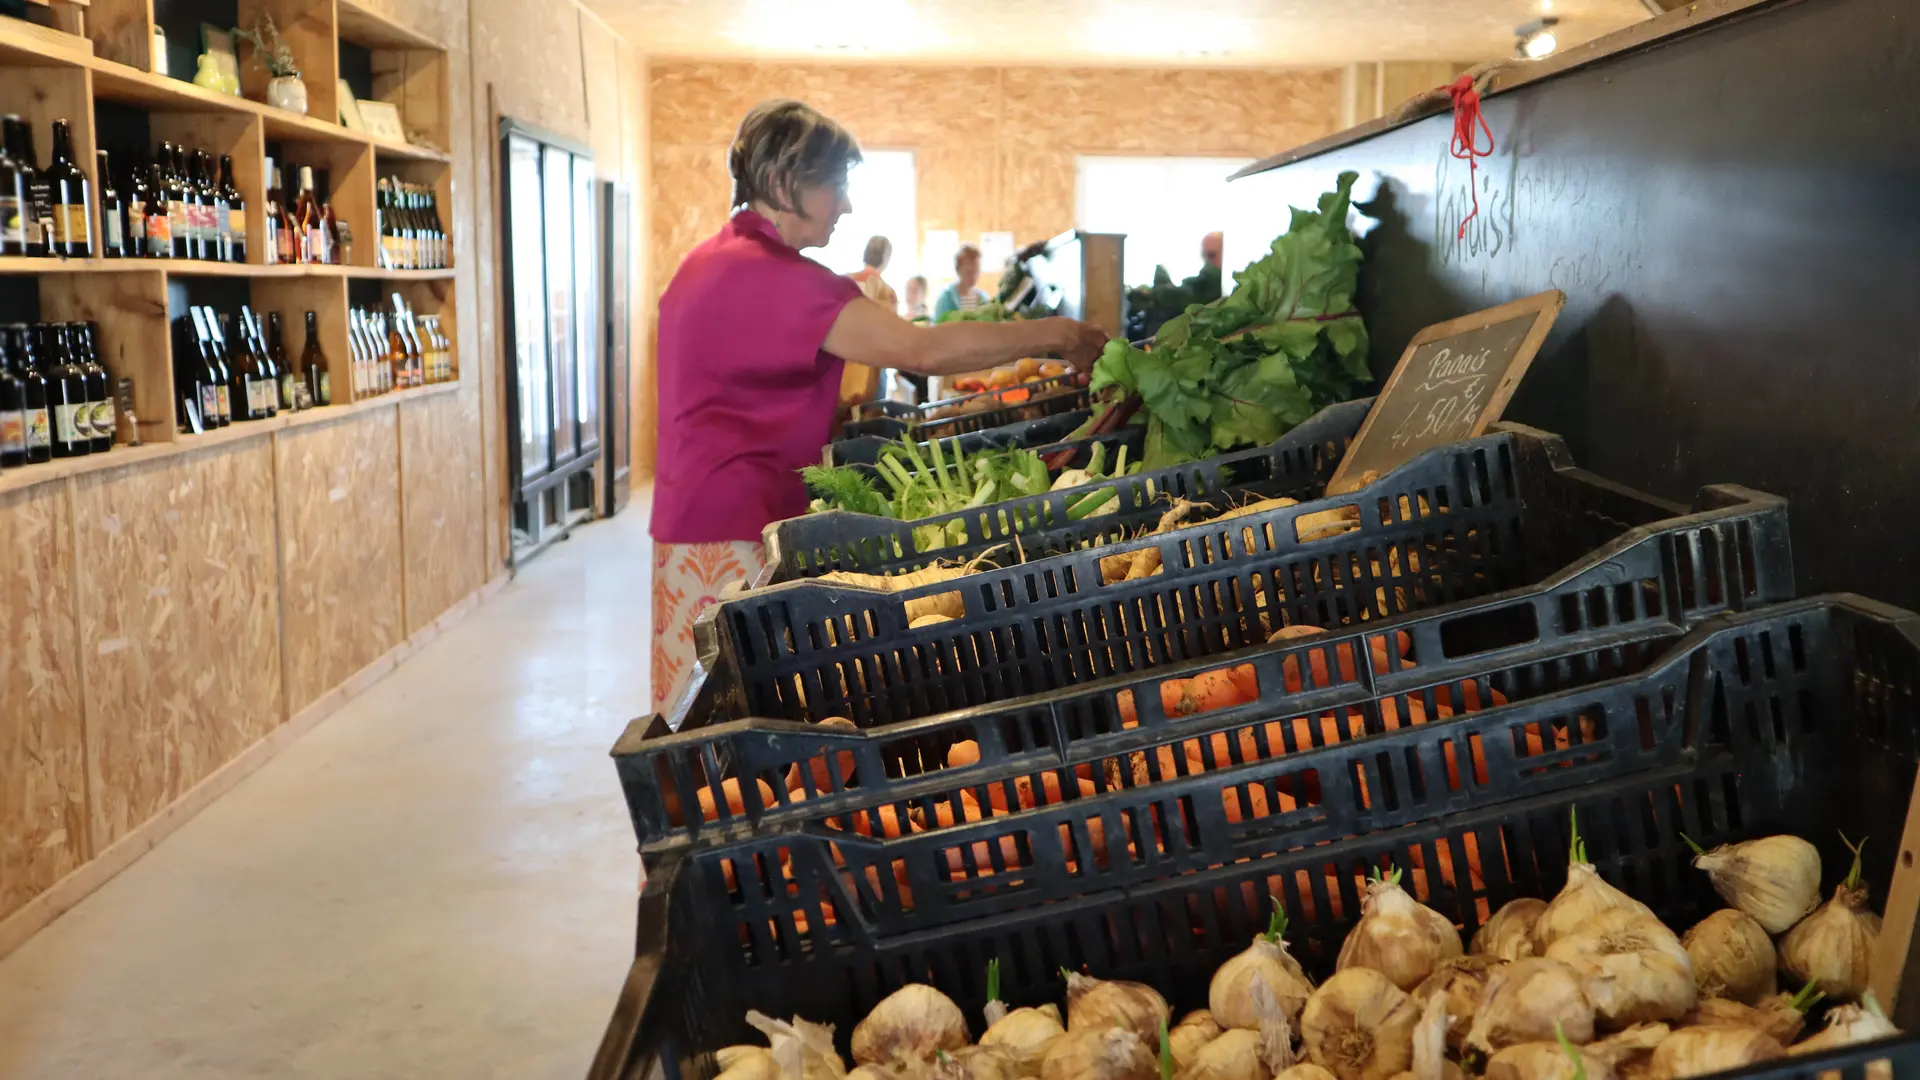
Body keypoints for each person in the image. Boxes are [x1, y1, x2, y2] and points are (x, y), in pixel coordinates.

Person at [649, 99, 1108, 715]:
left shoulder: (714, 261)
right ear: (786, 184)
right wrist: (1059, 334)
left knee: (704, 709)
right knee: (726, 720)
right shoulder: (772, 278)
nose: (846, 204)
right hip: (729, 527)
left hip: (701, 520)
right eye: (835, 184)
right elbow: (922, 350)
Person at [932, 244, 991, 320]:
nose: (973, 277)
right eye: (969, 272)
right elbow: (937, 327)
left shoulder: (983, 298)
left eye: (976, 272)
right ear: (958, 270)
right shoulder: (946, 298)